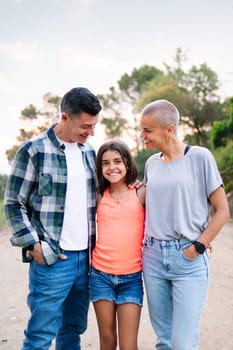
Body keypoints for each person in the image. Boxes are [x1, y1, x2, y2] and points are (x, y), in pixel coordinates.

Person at [4, 87, 102, 350]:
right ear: (65, 117)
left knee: (72, 331)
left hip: (86, 260)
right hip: (52, 260)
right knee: (40, 336)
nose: (90, 132)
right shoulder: (33, 151)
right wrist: (33, 245)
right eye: (85, 126)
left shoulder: (89, 153)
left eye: (94, 126)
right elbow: (14, 204)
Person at [139, 99, 230, 350]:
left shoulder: (200, 157)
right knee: (165, 340)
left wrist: (197, 247)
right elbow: (142, 202)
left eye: (147, 130)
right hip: (153, 257)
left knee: (183, 343)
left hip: (188, 259)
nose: (141, 136)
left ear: (169, 129)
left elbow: (222, 211)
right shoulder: (151, 164)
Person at [90, 140, 145, 350]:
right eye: (105, 163)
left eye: (117, 161)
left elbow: (167, 216)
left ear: (127, 164)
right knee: (108, 341)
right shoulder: (98, 195)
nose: (111, 167)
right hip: (100, 276)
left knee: (129, 345)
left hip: (131, 278)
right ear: (100, 168)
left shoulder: (141, 193)